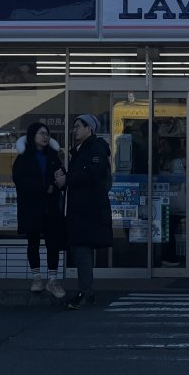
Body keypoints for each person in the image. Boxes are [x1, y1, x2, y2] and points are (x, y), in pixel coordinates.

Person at [54, 114, 113, 309]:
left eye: (78, 126)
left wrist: (67, 179)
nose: (74, 130)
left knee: (82, 250)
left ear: (89, 128)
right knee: (82, 251)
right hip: (85, 209)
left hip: (88, 210)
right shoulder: (83, 150)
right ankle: (86, 292)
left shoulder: (94, 148)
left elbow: (91, 173)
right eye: (74, 127)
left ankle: (85, 294)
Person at [12, 122, 66, 298]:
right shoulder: (23, 158)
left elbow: (60, 176)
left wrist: (57, 182)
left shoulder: (53, 156)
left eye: (47, 134)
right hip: (31, 206)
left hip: (50, 207)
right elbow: (19, 181)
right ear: (33, 135)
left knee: (53, 243)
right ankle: (36, 278)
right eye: (42, 133)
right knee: (33, 242)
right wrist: (44, 188)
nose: (45, 136)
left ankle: (53, 280)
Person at [158, 136, 185, 266]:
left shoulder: (177, 161)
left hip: (173, 201)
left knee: (168, 230)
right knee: (167, 230)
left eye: (165, 145)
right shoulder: (169, 160)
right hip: (169, 200)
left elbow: (178, 180)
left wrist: (162, 176)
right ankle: (168, 257)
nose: (162, 148)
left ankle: (170, 258)